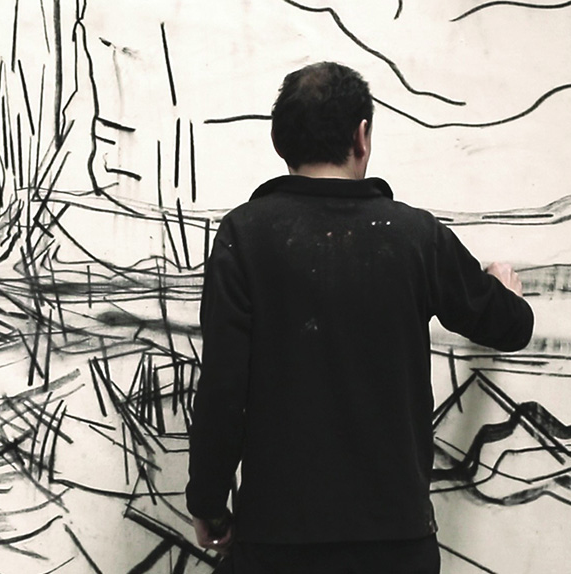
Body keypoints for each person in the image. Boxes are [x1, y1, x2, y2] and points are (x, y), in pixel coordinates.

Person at [185, 62, 534, 573]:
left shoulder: (245, 234)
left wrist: (208, 503)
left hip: (278, 543)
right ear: (362, 136)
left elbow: (222, 389)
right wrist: (504, 291)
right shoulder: (415, 236)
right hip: (396, 544)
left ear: (281, 142)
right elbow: (510, 326)